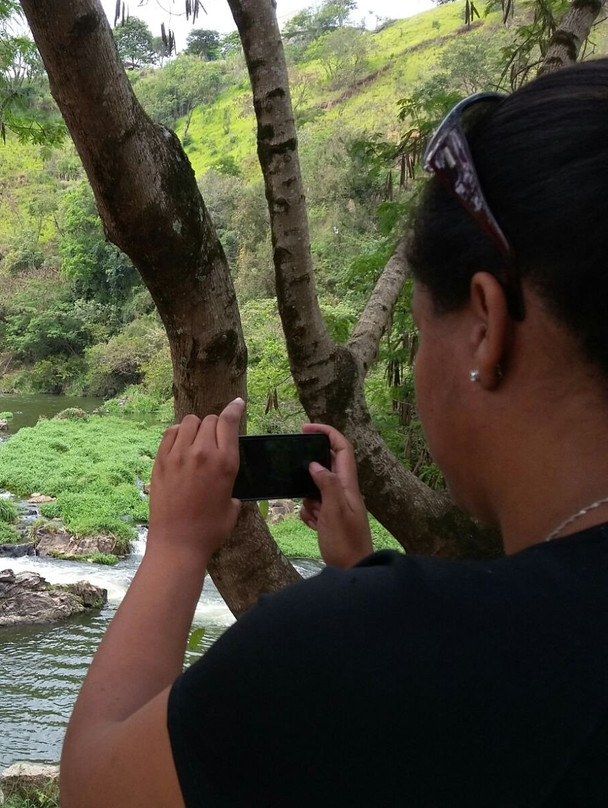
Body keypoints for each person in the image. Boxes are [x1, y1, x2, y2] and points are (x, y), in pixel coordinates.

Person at [59, 60, 608, 807]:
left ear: (486, 324)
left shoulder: (359, 645)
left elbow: (96, 788)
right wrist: (358, 570)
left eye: (419, 332)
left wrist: (177, 546)